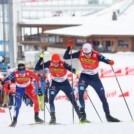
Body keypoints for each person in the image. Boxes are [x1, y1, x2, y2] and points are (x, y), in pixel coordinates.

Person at [63, 42, 120, 122]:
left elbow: (105, 59)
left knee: (102, 97)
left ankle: (108, 116)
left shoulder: (96, 54)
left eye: (88, 53)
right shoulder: (80, 53)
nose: (86, 55)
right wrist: (69, 48)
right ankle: (82, 115)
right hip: (84, 77)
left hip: (94, 78)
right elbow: (65, 57)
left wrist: (110, 61)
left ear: (91, 51)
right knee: (80, 94)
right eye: (85, 53)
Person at [35, 53, 81, 124]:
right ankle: (53, 118)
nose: (56, 64)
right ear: (52, 61)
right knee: (51, 100)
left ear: (59, 61)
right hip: (55, 84)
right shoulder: (49, 63)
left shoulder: (63, 63)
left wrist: (76, 72)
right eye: (54, 62)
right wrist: (41, 58)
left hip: (65, 83)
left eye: (57, 62)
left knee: (73, 99)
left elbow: (71, 68)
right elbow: (37, 68)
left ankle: (80, 116)